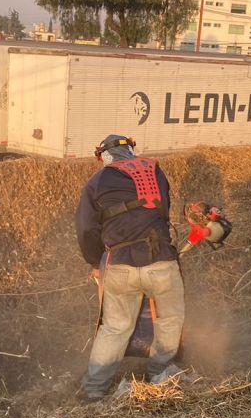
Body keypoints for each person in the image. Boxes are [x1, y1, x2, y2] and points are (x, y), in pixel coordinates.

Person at [75, 134, 185, 400]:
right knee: (169, 320)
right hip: (161, 261)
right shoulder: (155, 171)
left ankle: (94, 389)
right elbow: (162, 212)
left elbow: (87, 229)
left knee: (115, 328)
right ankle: (159, 375)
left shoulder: (96, 182)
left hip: (120, 265)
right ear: (132, 151)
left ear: (104, 156)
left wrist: (95, 262)